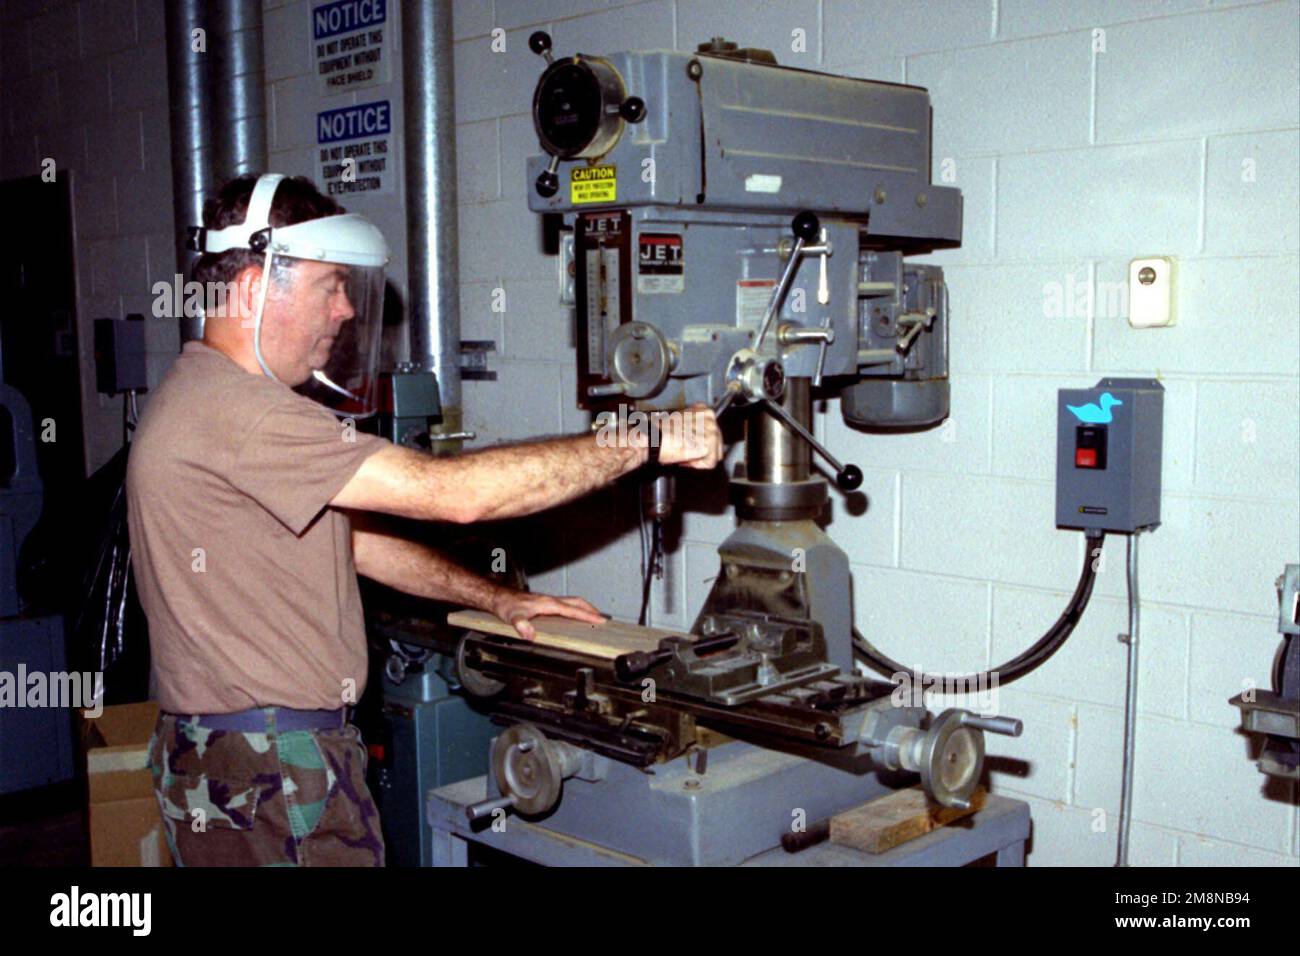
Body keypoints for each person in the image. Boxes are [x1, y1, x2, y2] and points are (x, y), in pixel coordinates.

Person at [127, 173, 722, 866]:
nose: (346, 310)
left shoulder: (201, 392)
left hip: (236, 756)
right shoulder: (244, 413)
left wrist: (496, 598)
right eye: (329, 286)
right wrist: (644, 439)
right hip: (271, 770)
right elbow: (454, 495)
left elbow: (351, 544)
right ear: (258, 288)